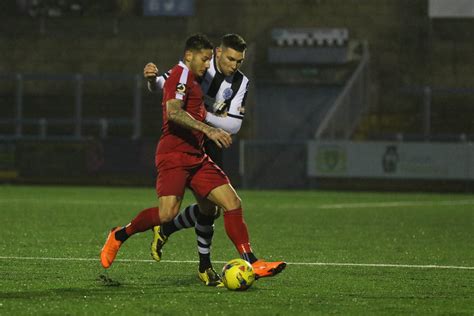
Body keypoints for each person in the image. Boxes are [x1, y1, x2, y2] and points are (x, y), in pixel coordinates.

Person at [101, 34, 285, 287]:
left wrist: (206, 125)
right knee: (167, 214)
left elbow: (231, 123)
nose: (208, 64)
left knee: (229, 203)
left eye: (210, 59)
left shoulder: (204, 78)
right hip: (174, 154)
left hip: (198, 154)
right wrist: (208, 127)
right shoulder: (181, 74)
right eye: (206, 59)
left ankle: (251, 260)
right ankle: (120, 234)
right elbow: (173, 111)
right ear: (190, 56)